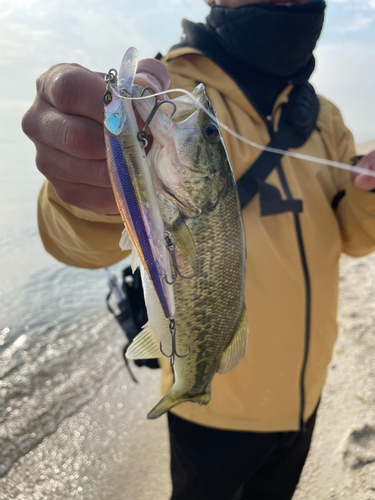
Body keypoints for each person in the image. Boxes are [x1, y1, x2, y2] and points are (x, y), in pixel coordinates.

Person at [22, 0, 375, 498]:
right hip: (213, 416)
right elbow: (78, 243)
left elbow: (352, 236)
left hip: (308, 394)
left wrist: (370, 198)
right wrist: (83, 191)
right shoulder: (168, 97)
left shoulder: (326, 119)